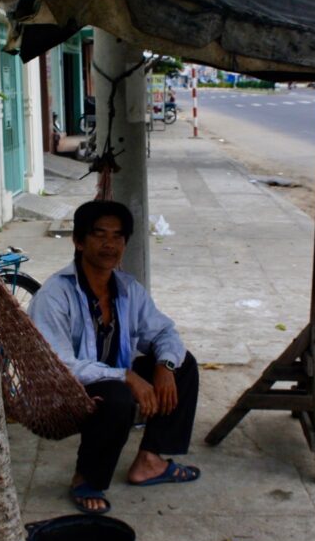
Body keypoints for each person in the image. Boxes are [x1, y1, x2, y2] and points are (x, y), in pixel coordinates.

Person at [28, 200, 200, 515]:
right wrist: (126, 377)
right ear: (79, 241)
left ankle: (150, 459)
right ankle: (86, 477)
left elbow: (164, 332)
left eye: (118, 236)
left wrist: (164, 366)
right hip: (69, 388)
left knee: (182, 365)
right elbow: (57, 365)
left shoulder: (127, 289)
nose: (110, 244)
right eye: (100, 235)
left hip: (115, 377)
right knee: (119, 396)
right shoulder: (54, 295)